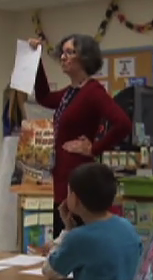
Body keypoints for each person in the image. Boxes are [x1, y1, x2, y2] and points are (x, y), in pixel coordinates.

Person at [27, 34, 131, 238]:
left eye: (70, 52)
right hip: (61, 178)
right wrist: (37, 60)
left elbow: (123, 123)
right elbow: (44, 97)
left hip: (78, 180)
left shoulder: (93, 91)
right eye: (63, 53)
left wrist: (95, 148)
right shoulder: (70, 92)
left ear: (85, 57)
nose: (64, 57)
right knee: (62, 236)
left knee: (73, 238)